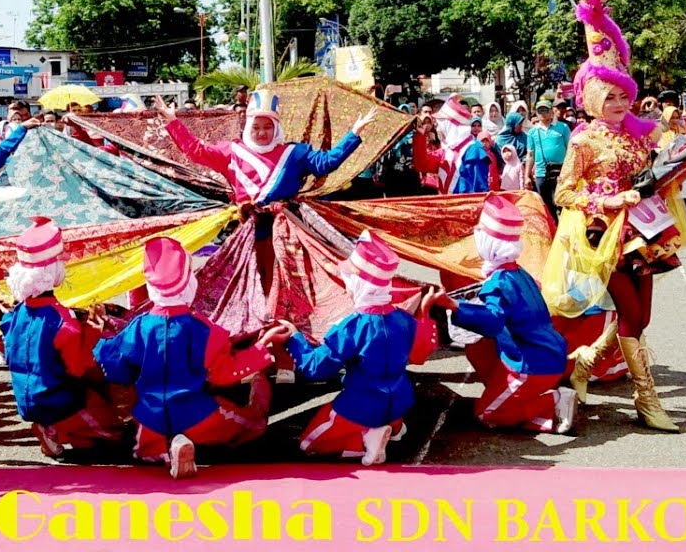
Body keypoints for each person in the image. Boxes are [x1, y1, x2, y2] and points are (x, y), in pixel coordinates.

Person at [552, 0, 686, 432]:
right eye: (609, 97)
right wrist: (609, 199)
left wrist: (674, 172)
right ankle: (647, 401)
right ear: (591, 98)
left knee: (641, 316)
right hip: (603, 233)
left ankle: (584, 363)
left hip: (645, 230)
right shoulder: (583, 140)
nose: (619, 104)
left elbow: (651, 174)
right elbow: (564, 193)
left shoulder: (636, 135)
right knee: (631, 315)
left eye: (623, 96)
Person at [94, 236, 287, 479]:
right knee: (252, 425)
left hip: (149, 421)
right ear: (189, 283)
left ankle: (164, 450)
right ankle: (184, 440)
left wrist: (97, 336)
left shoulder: (138, 328)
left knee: (143, 449)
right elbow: (223, 374)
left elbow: (114, 366)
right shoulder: (203, 330)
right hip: (200, 417)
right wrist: (262, 346)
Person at [154, 89, 373, 294]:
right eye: (256, 127)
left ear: (276, 128)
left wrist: (354, 134)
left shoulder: (294, 153)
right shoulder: (233, 151)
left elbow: (326, 163)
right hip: (247, 230)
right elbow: (197, 151)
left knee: (289, 288)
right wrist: (173, 121)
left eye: (267, 127)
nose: (261, 133)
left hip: (286, 231)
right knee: (249, 286)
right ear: (248, 126)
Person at [279, 231, 437, 464]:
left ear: (359, 283)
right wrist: (425, 313)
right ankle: (390, 428)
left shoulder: (353, 327)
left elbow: (315, 369)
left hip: (361, 405)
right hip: (400, 399)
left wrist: (295, 338)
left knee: (309, 443)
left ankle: (367, 436)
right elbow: (419, 353)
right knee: (385, 408)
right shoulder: (404, 319)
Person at [429, 196, 575, 433]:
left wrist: (453, 305)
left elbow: (492, 321)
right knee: (479, 350)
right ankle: (546, 417)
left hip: (531, 364)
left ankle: (554, 401)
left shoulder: (499, 282)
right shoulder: (519, 273)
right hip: (546, 354)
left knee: (487, 414)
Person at [0, 217, 125, 457]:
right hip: (57, 400)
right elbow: (78, 368)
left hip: (26, 399)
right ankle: (55, 428)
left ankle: (57, 429)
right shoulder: (62, 320)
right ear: (55, 270)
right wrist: (93, 333)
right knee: (115, 433)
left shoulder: (15, 315)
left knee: (87, 442)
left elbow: (8, 343)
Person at [526, 99, 571, 218]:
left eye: (545, 110)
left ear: (551, 111)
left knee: (562, 202)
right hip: (541, 172)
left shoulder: (563, 127)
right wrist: (527, 176)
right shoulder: (532, 132)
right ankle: (552, 228)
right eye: (540, 110)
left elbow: (571, 149)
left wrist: (569, 170)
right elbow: (530, 155)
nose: (542, 113)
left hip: (560, 172)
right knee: (546, 204)